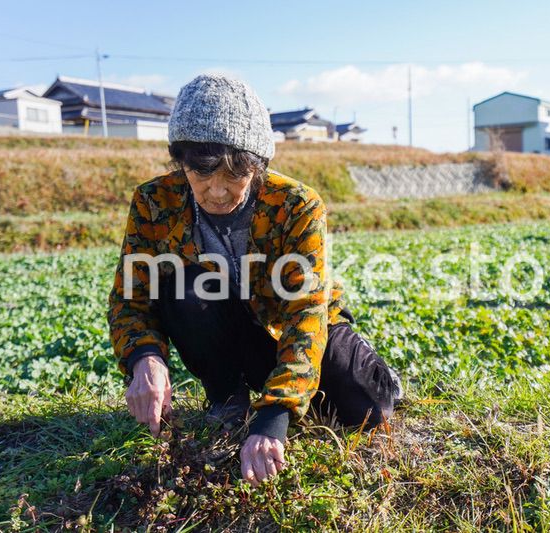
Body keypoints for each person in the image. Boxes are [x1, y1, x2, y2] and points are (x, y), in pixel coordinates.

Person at [107, 74, 403, 488]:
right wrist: (145, 358)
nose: (216, 193)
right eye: (201, 176)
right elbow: (130, 300)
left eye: (234, 177)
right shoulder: (154, 202)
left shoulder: (296, 204)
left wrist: (274, 418)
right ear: (181, 164)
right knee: (184, 286)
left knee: (366, 408)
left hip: (289, 326)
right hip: (227, 329)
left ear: (257, 166)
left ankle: (369, 371)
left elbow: (305, 311)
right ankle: (226, 399)